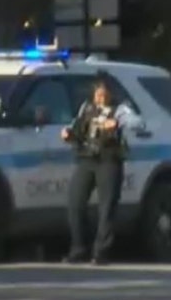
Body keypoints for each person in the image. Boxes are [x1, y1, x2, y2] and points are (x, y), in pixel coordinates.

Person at [61, 77, 145, 265]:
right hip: (87, 159)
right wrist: (68, 133)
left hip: (109, 161)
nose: (100, 98)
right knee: (75, 202)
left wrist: (117, 123)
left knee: (106, 208)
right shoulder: (87, 107)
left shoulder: (120, 109)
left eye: (103, 95)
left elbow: (138, 123)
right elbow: (77, 126)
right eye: (97, 94)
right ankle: (79, 248)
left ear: (110, 94)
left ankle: (101, 252)